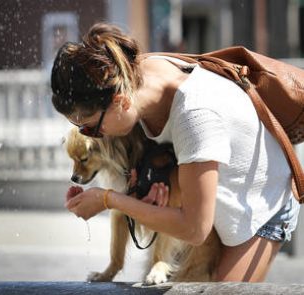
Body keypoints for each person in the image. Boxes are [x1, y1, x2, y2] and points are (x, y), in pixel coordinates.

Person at [50, 22, 301, 282]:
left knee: (211, 288)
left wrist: (108, 199)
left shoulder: (194, 114)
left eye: (91, 128)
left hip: (260, 202)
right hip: (212, 193)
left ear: (120, 102)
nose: (96, 137)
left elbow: (194, 229)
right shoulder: (132, 75)